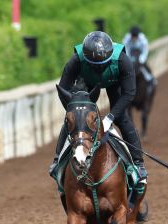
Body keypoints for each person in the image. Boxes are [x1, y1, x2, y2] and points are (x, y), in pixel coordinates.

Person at [49, 31, 148, 187]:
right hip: (86, 84)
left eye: (102, 64)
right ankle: (57, 161)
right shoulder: (76, 60)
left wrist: (110, 117)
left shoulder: (122, 60)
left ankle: (138, 163)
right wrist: (76, 115)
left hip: (113, 82)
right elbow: (63, 89)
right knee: (74, 122)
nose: (99, 68)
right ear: (86, 60)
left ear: (109, 58)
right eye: (95, 65)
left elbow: (129, 93)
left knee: (122, 119)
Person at [122, 26, 155, 91]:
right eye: (133, 36)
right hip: (131, 54)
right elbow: (126, 49)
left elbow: (145, 50)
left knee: (144, 66)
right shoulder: (126, 39)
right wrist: (128, 58)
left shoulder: (143, 39)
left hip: (140, 54)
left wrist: (141, 59)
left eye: (135, 36)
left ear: (138, 35)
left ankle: (150, 79)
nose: (134, 38)